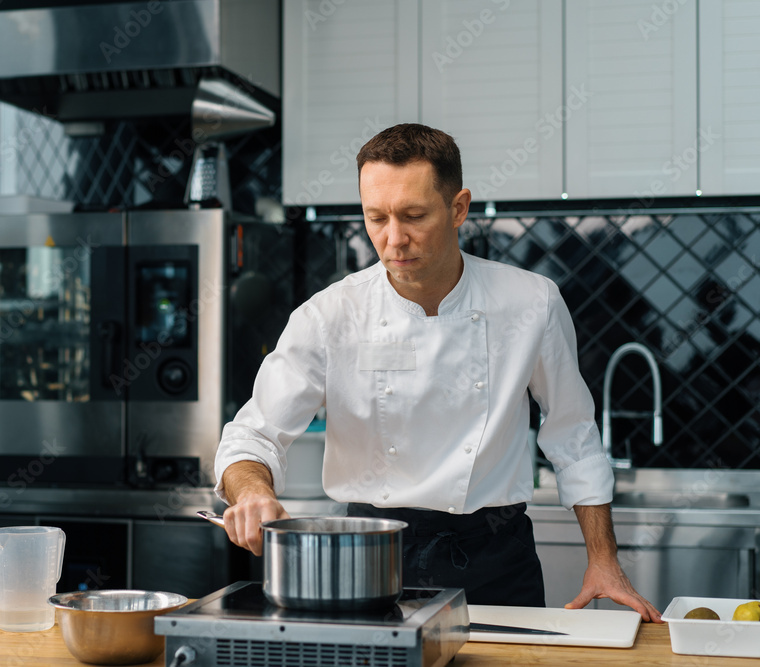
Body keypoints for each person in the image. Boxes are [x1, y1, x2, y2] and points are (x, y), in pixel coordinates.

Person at [214, 123, 661, 621]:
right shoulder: (329, 317)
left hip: (498, 559)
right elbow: (252, 436)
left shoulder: (531, 303)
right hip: (369, 561)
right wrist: (252, 490)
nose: (393, 240)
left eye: (414, 216)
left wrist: (604, 560)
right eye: (375, 218)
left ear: (459, 208)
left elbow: (573, 435)